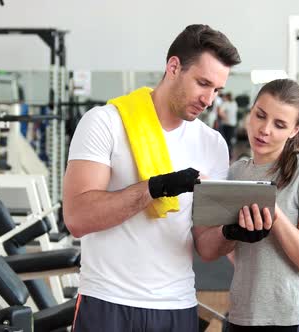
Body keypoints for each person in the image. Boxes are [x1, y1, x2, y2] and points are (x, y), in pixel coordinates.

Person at [62, 24, 241, 331]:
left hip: (176, 305)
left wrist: (235, 232)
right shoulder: (104, 123)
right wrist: (157, 187)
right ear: (173, 67)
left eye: (217, 90)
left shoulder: (212, 144)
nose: (209, 99)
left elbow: (207, 246)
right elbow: (77, 218)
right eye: (202, 83)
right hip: (107, 301)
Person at [194, 79, 299, 331]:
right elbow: (212, 252)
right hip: (242, 316)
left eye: (280, 124)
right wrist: (227, 229)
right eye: (260, 116)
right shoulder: (236, 172)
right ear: (250, 112)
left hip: (294, 319)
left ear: (294, 131)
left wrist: (270, 208)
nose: (265, 129)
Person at [218, 92, 239, 159]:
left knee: (226, 140)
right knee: (230, 140)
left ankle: (227, 155)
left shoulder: (225, 104)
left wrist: (224, 117)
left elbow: (220, 112)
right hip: (233, 124)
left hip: (227, 124)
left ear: (226, 97)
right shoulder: (234, 103)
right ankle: (230, 154)